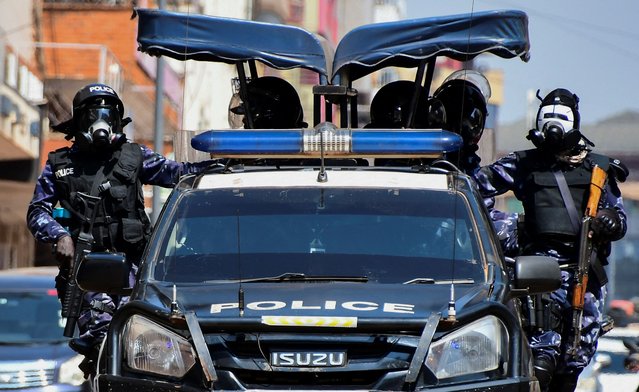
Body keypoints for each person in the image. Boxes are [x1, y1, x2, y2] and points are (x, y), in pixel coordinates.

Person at [26, 83, 216, 375]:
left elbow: (178, 174)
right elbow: (37, 210)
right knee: (102, 337)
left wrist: (223, 166)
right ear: (79, 120)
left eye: (108, 114)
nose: (101, 122)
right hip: (87, 273)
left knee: (149, 341)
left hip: (136, 270)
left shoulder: (134, 155)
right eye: (94, 114)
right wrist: (60, 235)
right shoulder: (59, 165)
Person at [473, 88, 628, 391]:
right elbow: (476, 188)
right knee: (541, 356)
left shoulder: (599, 168)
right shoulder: (523, 164)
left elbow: (620, 220)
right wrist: (504, 230)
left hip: (585, 273)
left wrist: (609, 221)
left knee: (574, 358)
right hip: (539, 274)